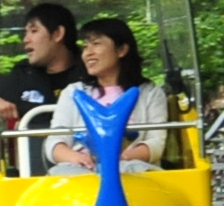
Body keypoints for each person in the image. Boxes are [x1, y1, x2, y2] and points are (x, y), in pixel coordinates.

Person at [49, 16, 168, 174]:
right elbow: (56, 141)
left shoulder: (149, 93)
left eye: (96, 44)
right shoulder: (74, 92)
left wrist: (121, 158)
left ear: (121, 50)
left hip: (129, 165)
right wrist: (75, 158)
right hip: (82, 167)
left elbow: (156, 143)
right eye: (85, 46)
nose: (88, 53)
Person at [0, 0, 81, 128]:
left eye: (34, 31)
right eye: (25, 33)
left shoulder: (90, 73)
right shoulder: (22, 75)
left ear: (58, 34)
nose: (25, 40)